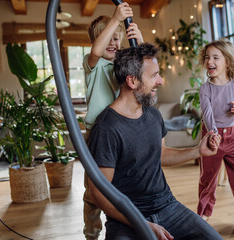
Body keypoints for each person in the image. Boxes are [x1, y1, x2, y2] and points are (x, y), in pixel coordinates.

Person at [87, 43, 223, 240]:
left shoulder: (152, 114)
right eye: (153, 75)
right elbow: (97, 193)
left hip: (167, 206)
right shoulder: (107, 128)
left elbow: (161, 154)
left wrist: (198, 151)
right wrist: (141, 223)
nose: (160, 81)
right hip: (127, 218)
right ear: (132, 81)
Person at [82, 3, 144, 239]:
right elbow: (97, 49)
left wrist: (139, 37)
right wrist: (116, 19)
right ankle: (92, 230)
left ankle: (121, 223)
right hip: (97, 132)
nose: (112, 44)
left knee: (121, 181)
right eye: (107, 37)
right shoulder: (93, 64)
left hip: (121, 130)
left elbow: (143, 63)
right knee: (94, 188)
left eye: (117, 40)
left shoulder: (122, 65)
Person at [197, 38, 234, 231]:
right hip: (211, 136)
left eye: (215, 57)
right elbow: (207, 114)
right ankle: (204, 213)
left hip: (232, 138)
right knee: (207, 178)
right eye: (207, 57)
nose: (209, 61)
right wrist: (213, 134)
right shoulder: (205, 88)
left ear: (227, 62)